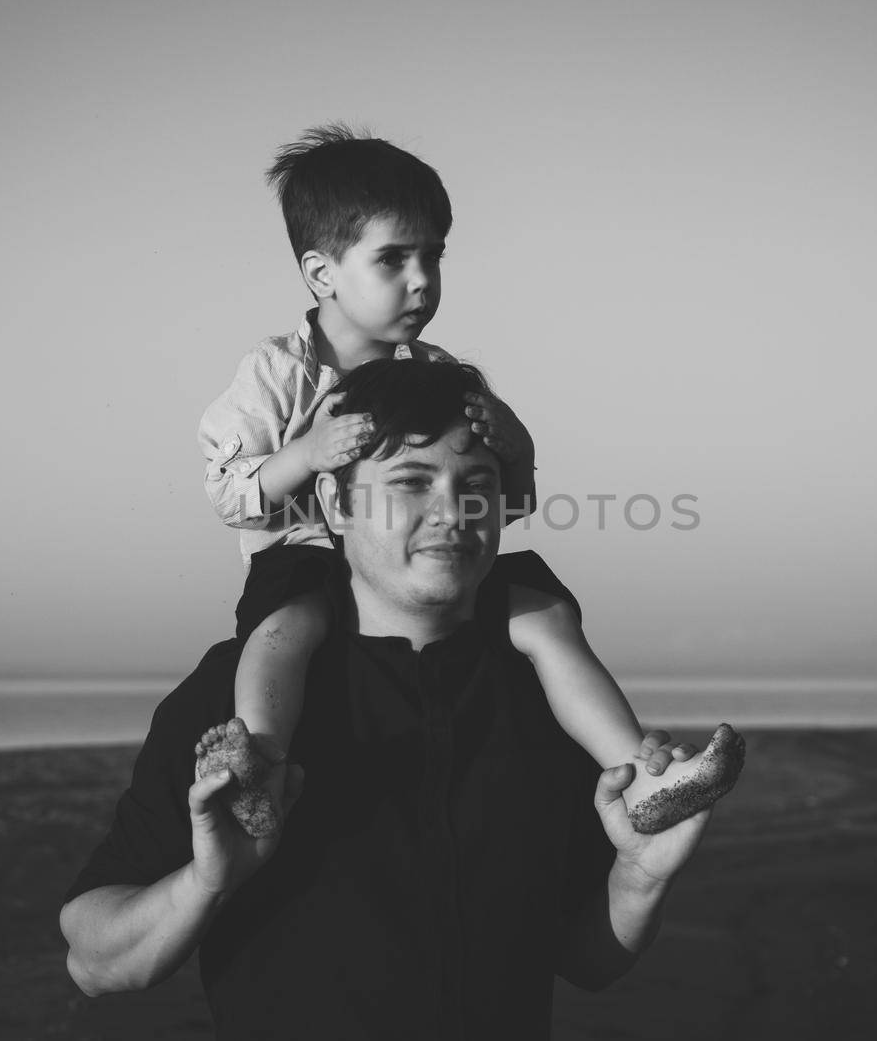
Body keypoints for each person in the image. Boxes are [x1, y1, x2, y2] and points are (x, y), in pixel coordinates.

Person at [60, 358, 742, 1038]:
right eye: (412, 483)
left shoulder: (549, 691)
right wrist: (207, 881)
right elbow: (92, 959)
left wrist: (639, 875)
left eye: (476, 484)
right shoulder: (236, 692)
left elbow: (588, 959)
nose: (453, 512)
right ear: (334, 503)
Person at [195, 123, 737, 838]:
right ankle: (260, 763)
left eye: (433, 256)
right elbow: (227, 488)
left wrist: (517, 446)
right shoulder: (275, 373)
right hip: (303, 562)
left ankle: (640, 774)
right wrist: (307, 452)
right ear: (322, 274)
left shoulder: (437, 373)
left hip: (417, 571)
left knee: (541, 608)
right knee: (283, 628)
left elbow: (498, 505)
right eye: (393, 258)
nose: (422, 280)